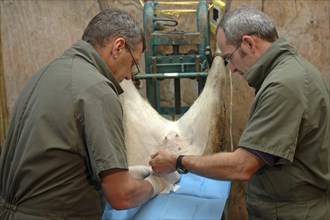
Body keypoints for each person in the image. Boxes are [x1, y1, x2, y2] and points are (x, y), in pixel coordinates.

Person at [149, 7, 329, 220]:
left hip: (295, 213)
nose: (232, 69)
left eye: (229, 58)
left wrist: (177, 161)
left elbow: (242, 166)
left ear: (249, 43)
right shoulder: (292, 71)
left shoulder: (284, 85)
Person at [0, 9, 179, 220]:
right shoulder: (98, 90)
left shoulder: (45, 73)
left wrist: (123, 172)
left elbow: (58, 159)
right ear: (118, 47)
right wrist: (156, 184)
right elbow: (122, 196)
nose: (130, 75)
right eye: (133, 63)